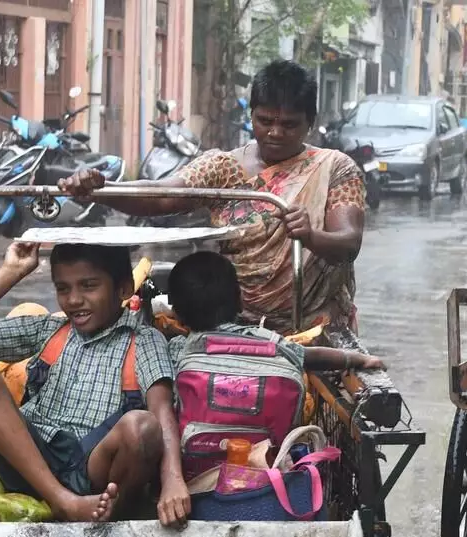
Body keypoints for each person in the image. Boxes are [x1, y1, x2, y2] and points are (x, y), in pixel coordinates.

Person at [59, 59, 366, 333]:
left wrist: (311, 236)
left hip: (313, 326)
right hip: (236, 325)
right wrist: (101, 189)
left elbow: (348, 242)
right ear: (252, 116)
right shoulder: (223, 167)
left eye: (288, 124)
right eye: (265, 121)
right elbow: (163, 195)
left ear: (309, 122)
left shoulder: (335, 168)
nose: (275, 132)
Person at [0, 242, 191, 526]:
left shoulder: (143, 340)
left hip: (93, 468)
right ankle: (63, 503)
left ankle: (109, 514)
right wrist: (12, 270)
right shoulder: (50, 329)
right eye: (63, 288)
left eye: (88, 286)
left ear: (122, 289)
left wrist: (173, 480)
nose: (73, 300)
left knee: (142, 427)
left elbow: (162, 412)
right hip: (31, 457)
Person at [165, 251, 386, 373]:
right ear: (240, 301)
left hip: (196, 442)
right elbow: (311, 357)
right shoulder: (264, 341)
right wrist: (356, 359)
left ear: (177, 314)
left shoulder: (179, 349)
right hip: (265, 443)